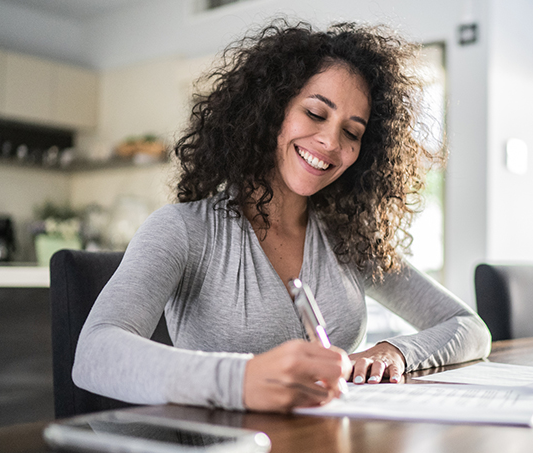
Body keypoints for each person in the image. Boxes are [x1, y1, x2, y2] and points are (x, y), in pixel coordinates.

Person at [72, 19, 491, 413]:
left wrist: (397, 352)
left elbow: (468, 327)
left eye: (352, 132)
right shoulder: (184, 230)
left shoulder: (349, 239)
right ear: (271, 110)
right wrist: (242, 379)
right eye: (315, 113)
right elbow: (94, 352)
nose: (330, 141)